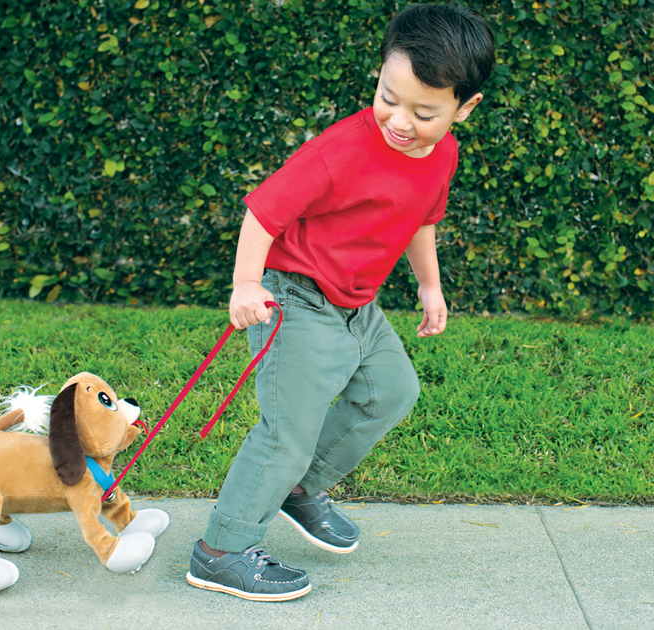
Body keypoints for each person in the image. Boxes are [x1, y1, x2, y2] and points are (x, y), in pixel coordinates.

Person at [185, 2, 496, 602]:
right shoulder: (342, 150)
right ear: (379, 75)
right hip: (294, 298)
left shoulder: (444, 153)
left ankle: (300, 490)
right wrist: (245, 283)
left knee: (392, 391)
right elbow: (263, 211)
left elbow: (419, 221)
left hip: (358, 306)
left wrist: (430, 287)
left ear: (464, 109)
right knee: (287, 431)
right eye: (388, 96)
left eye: (424, 112)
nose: (400, 121)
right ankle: (220, 551)